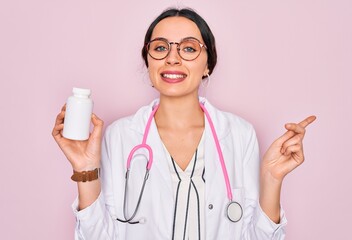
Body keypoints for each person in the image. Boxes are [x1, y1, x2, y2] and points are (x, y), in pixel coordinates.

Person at [52, 7, 316, 240]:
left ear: (208, 65)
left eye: (188, 48)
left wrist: (271, 179)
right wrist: (86, 171)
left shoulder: (239, 134)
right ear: (149, 62)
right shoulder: (119, 136)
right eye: (160, 47)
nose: (172, 58)